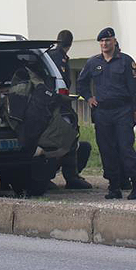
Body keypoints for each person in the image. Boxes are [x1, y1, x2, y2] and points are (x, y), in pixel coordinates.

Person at [76, 27, 136, 200]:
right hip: (102, 112)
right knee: (107, 150)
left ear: (114, 41)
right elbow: (81, 83)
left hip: (122, 111)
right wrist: (89, 98)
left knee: (125, 148)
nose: (105, 44)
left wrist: (134, 109)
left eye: (108, 40)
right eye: (102, 41)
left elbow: (135, 87)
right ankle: (114, 187)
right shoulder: (93, 62)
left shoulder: (126, 61)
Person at [47, 30, 92, 189]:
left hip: (45, 108)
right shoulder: (60, 58)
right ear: (70, 44)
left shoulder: (46, 55)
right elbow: (61, 84)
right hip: (58, 107)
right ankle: (71, 177)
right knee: (70, 138)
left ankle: (46, 178)